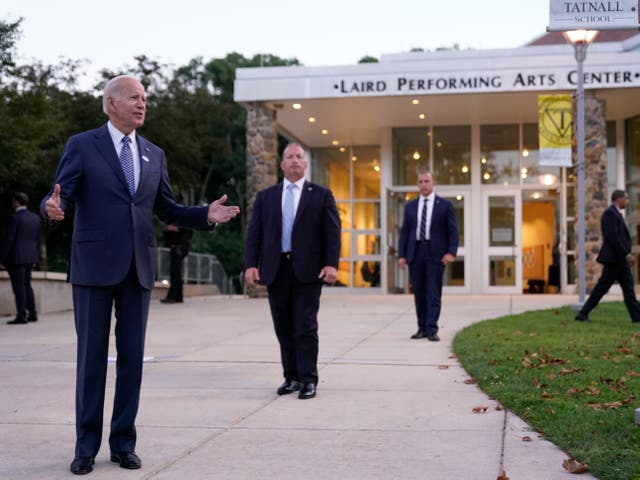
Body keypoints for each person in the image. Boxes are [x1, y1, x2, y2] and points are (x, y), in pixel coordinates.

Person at [41, 74, 240, 475]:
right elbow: (61, 192)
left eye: (144, 98)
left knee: (131, 360)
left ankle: (123, 443)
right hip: (94, 267)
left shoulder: (153, 153)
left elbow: (166, 208)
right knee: (91, 359)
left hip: (138, 269)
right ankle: (85, 447)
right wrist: (51, 206)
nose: (141, 103)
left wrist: (205, 214)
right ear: (111, 103)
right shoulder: (83, 145)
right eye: (134, 97)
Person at [244, 143, 341, 400]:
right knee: (283, 326)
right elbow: (255, 234)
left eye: (299, 157)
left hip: (308, 272)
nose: (295, 160)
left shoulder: (320, 195)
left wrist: (331, 264)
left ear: (305, 164)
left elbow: (332, 234)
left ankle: (309, 379)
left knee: (305, 326)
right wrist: (251, 264)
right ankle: (292, 377)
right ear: (282, 164)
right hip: (276, 270)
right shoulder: (266, 197)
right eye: (290, 157)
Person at [398, 169, 459, 341]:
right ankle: (422, 328)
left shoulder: (445, 205)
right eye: (421, 182)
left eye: (427, 181)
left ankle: (432, 329)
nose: (424, 184)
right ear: (417, 184)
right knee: (419, 292)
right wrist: (402, 255)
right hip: (416, 253)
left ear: (433, 184)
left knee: (433, 293)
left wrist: (450, 252)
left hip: (435, 254)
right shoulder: (410, 207)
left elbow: (453, 231)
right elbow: (405, 233)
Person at [575, 189, 640, 323]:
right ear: (619, 199)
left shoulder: (616, 214)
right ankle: (582, 314)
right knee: (603, 289)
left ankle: (636, 317)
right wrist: (626, 254)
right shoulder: (610, 214)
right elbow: (613, 238)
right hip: (614, 260)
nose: (627, 201)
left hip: (619, 260)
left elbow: (620, 237)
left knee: (627, 289)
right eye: (626, 199)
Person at [0, 192, 41, 324]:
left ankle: (21, 315)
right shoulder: (35, 218)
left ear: (17, 202)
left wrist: (2, 259)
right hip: (30, 257)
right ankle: (33, 314)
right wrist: (36, 257)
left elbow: (9, 240)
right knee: (27, 285)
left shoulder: (15, 218)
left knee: (19, 288)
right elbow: (37, 240)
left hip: (16, 258)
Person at [161, 224, 192, 303]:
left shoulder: (184, 223)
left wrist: (176, 228)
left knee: (175, 272)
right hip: (176, 248)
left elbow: (188, 232)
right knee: (176, 273)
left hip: (179, 248)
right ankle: (178, 297)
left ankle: (173, 297)